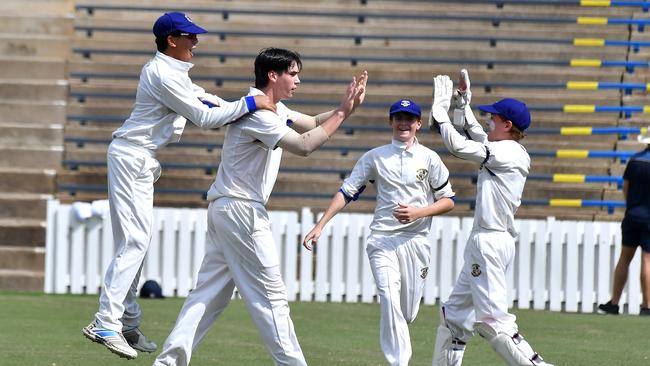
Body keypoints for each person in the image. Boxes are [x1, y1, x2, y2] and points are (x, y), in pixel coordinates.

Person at [152, 47, 368, 366]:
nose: (298, 80)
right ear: (273, 75)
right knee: (272, 298)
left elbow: (310, 123)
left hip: (226, 207)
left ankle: (168, 362)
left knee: (208, 296)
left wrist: (345, 108)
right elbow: (305, 145)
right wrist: (340, 115)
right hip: (242, 210)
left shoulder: (273, 109)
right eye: (292, 74)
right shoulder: (257, 113)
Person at [81, 12, 277, 360]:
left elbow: (208, 102)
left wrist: (250, 105)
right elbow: (204, 119)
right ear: (173, 40)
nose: (196, 42)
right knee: (135, 242)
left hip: (138, 160)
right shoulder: (161, 73)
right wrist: (251, 103)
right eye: (190, 36)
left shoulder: (174, 74)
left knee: (137, 242)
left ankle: (126, 320)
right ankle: (105, 321)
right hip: (132, 156)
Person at [303, 99, 455, 365]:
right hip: (382, 240)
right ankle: (399, 362)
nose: (403, 123)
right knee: (388, 296)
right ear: (390, 122)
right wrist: (320, 225)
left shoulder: (430, 158)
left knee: (405, 312)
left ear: (419, 124)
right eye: (398, 118)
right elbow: (347, 191)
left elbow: (449, 200)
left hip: (416, 241)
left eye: (409, 119)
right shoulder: (375, 156)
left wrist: (418, 213)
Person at [429, 70, 553, 366]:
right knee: (454, 317)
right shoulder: (507, 148)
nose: (488, 121)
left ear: (507, 125)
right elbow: (477, 134)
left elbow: (459, 146)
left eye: (494, 118)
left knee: (493, 322)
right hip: (487, 240)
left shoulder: (507, 152)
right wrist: (463, 105)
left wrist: (440, 113)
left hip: (490, 241)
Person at [598, 127, 650, 316]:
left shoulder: (634, 160)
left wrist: (632, 205)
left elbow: (626, 188)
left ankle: (614, 302)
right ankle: (647, 305)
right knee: (647, 260)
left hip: (632, 214)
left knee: (624, 258)